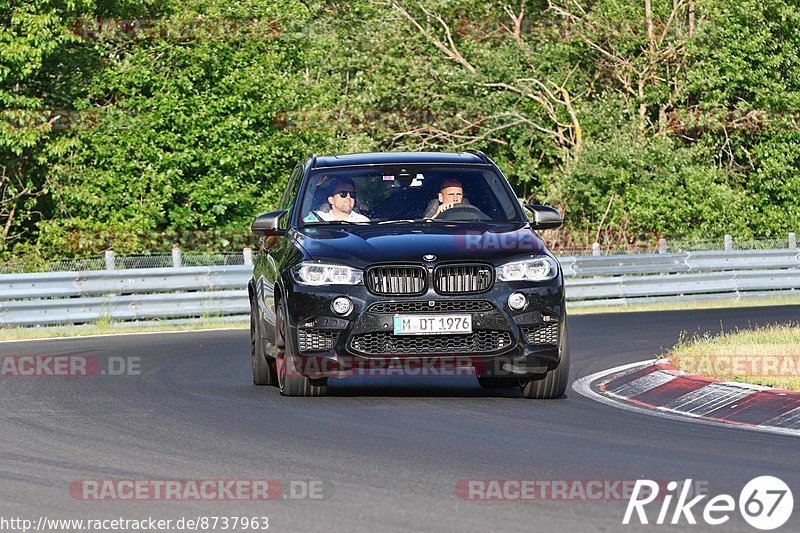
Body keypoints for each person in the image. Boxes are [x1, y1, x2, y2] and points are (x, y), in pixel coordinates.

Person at [305, 177, 370, 222]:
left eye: (352, 194)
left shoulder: (363, 222)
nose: (348, 197)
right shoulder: (316, 219)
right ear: (331, 199)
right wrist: (314, 184)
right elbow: (301, 215)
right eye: (343, 193)